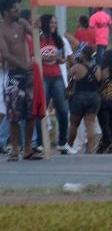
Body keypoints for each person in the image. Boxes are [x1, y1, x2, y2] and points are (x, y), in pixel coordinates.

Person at [0, 1, 40, 160]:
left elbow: (38, 36)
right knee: (14, 114)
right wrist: (23, 65)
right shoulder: (2, 29)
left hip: (28, 74)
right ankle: (15, 149)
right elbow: (6, 54)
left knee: (31, 113)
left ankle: (28, 148)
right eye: (15, 9)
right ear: (6, 12)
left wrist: (37, 27)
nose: (19, 11)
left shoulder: (22, 24)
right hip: (14, 76)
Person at [38, 14, 72, 154]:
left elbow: (63, 59)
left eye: (55, 23)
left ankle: (63, 142)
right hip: (43, 77)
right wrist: (44, 57)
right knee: (41, 111)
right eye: (51, 22)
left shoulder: (58, 40)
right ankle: (39, 142)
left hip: (57, 76)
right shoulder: (38, 39)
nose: (53, 25)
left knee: (63, 110)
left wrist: (58, 58)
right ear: (45, 23)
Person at [66, 45, 101, 154]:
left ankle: (69, 146)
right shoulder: (98, 69)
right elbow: (100, 82)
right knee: (90, 123)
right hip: (94, 97)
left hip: (79, 97)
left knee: (74, 124)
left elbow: (66, 77)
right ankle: (91, 149)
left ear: (83, 55)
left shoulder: (77, 67)